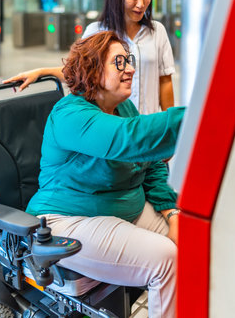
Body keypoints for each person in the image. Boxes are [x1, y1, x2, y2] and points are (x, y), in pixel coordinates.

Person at [26, 31, 185, 318]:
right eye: (119, 62)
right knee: (166, 259)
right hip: (69, 219)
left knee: (195, 240)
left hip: (125, 209)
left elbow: (150, 165)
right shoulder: (70, 115)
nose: (131, 69)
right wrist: (201, 114)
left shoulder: (122, 106)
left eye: (129, 60)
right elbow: (129, 140)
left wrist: (170, 211)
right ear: (93, 70)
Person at [4, 0, 175, 114]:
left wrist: (170, 125)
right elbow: (79, 73)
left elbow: (165, 81)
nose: (141, 4)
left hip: (147, 128)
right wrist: (41, 72)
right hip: (112, 127)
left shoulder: (157, 31)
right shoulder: (97, 31)